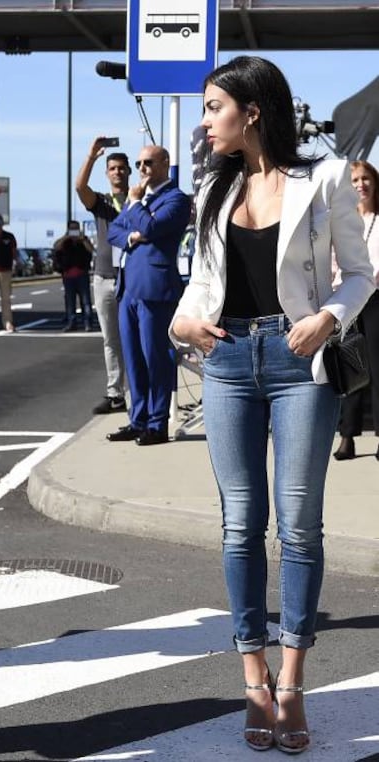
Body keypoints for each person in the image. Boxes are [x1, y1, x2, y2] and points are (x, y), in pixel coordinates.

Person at [169, 56, 374, 753]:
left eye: (212, 106)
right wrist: (180, 323)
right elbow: (201, 282)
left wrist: (329, 318)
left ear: (252, 111)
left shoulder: (322, 179)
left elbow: (362, 274)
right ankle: (252, 678)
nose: (205, 119)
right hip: (225, 362)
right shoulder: (212, 188)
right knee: (238, 526)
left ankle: (292, 685)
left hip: (296, 363)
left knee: (298, 526)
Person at [106, 145, 191, 446]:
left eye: (148, 162)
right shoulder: (141, 201)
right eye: (139, 163)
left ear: (165, 163)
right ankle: (137, 419)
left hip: (155, 289)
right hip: (128, 288)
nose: (141, 168)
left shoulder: (176, 199)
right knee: (133, 358)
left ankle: (157, 423)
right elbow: (113, 231)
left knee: (156, 357)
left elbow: (152, 227)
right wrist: (133, 235)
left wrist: (136, 208)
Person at [76, 141, 131, 413]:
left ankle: (140, 392)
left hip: (133, 278)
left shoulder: (138, 199)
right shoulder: (101, 203)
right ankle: (115, 393)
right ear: (107, 173)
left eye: (121, 168)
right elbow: (80, 188)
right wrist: (91, 157)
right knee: (111, 338)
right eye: (112, 168)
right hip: (105, 277)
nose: (117, 172)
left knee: (135, 337)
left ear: (129, 171)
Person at [333, 160, 379, 461]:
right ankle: (347, 436)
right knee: (349, 367)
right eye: (355, 180)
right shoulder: (342, 220)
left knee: (377, 368)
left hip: (376, 299)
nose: (360, 184)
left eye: (365, 179)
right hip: (347, 299)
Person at [52, 220, 94, 331]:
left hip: (82, 274)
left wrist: (83, 239)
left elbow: (91, 250)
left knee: (86, 301)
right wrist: (66, 237)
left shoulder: (83, 240)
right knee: (70, 301)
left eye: (76, 228)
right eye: (72, 229)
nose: (74, 231)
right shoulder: (65, 242)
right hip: (68, 275)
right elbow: (56, 247)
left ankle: (88, 323)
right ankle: (71, 322)